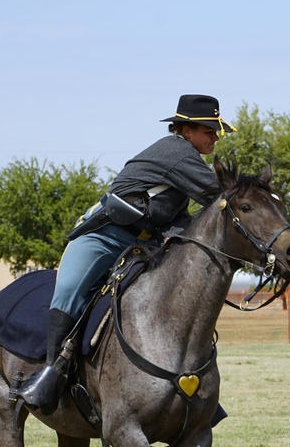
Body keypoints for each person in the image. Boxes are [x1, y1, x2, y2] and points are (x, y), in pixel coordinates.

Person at [15, 94, 236, 414]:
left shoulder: (185, 159)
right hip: (105, 236)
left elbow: (182, 221)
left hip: (144, 245)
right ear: (186, 131)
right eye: (208, 130)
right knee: (68, 292)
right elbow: (220, 197)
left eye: (216, 132)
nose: (215, 137)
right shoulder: (178, 153)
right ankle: (51, 373)